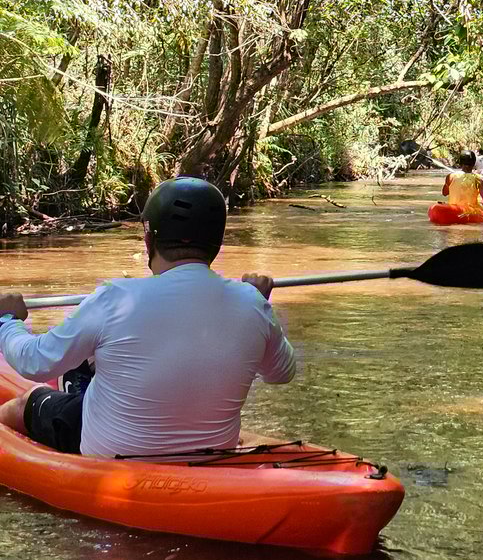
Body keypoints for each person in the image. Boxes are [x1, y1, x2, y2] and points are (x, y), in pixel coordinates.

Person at [0, 176, 296, 459]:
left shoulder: (115, 297)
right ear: (216, 243)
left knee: (28, 401)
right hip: (211, 454)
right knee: (89, 363)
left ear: (148, 238)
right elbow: (281, 373)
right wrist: (259, 303)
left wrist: (8, 321)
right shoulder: (252, 303)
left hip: (113, 456)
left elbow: (33, 362)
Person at [441, 150, 483, 217]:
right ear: (474, 163)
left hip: (453, 209)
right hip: (470, 211)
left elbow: (444, 193)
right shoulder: (480, 179)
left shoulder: (450, 176)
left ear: (460, 162)